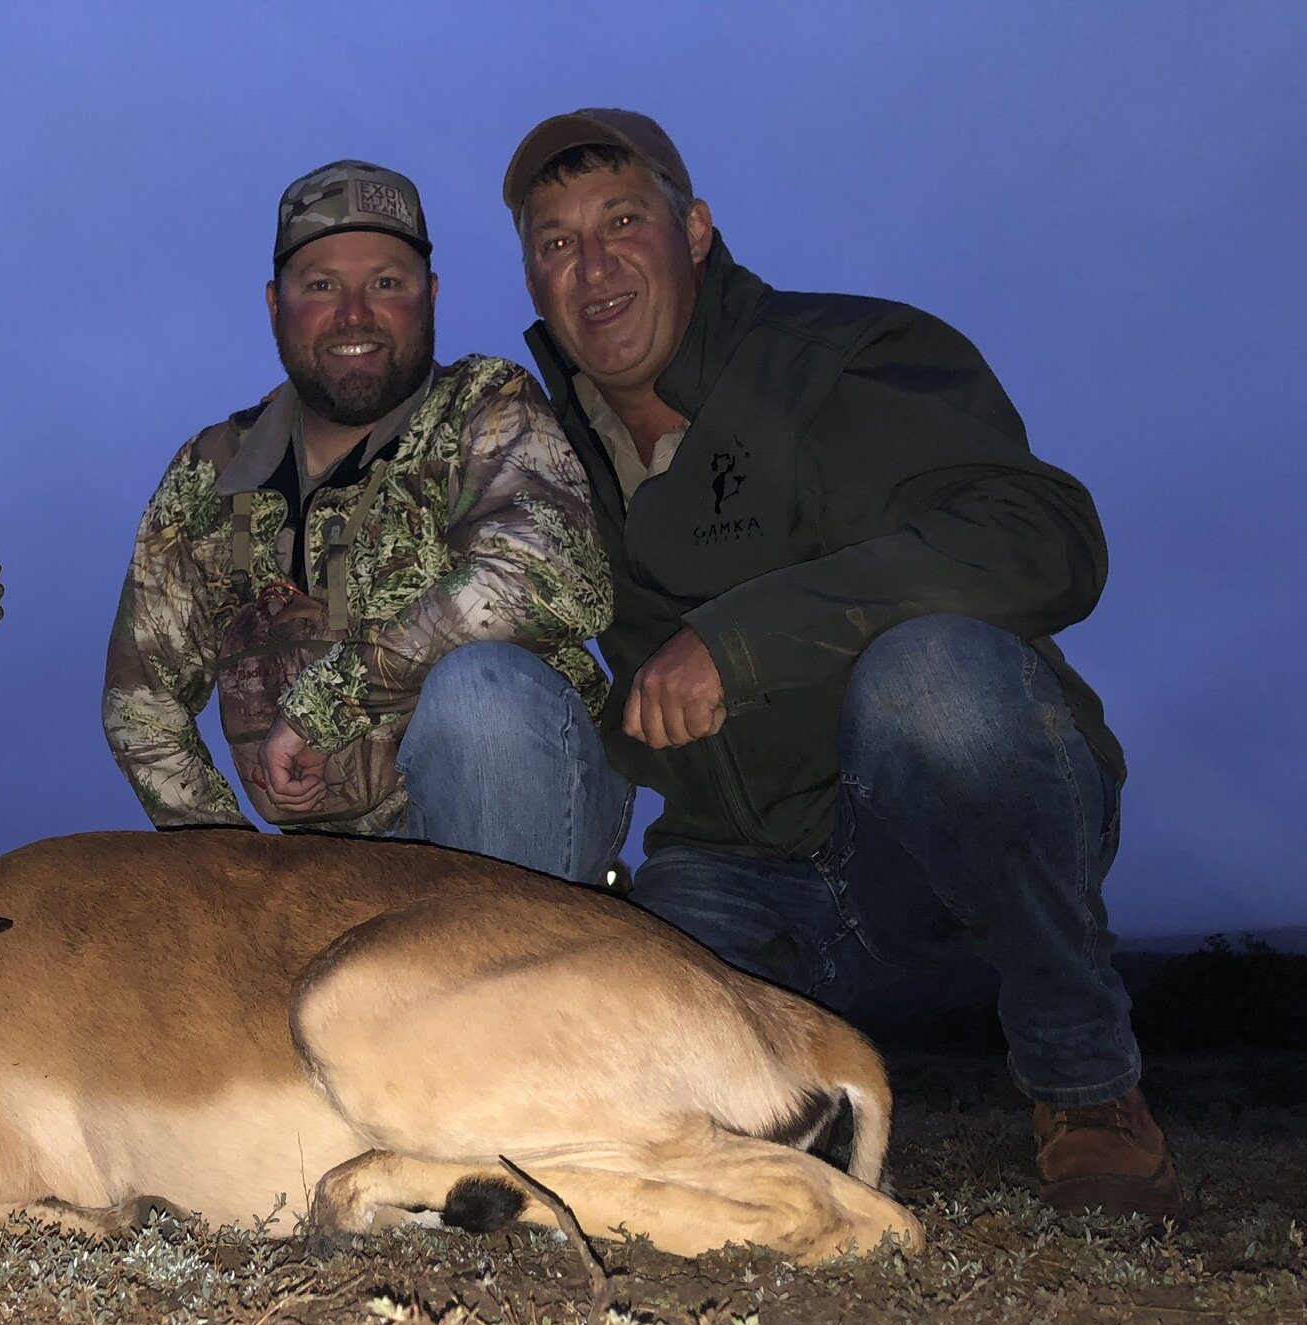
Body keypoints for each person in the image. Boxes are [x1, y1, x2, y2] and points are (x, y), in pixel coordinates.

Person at [501, 109, 1179, 1217]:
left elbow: (1039, 536)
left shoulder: (846, 357)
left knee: (933, 681)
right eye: (555, 241)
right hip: (729, 871)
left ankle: (1083, 1084)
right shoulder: (530, 449)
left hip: (920, 858)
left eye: (623, 221)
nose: (594, 264)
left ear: (697, 231)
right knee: (619, 1088)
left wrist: (740, 641)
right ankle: (783, 1118)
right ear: (533, 278)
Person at [103, 159, 625, 882]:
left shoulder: (487, 403)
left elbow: (551, 577)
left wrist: (321, 709)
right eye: (321, 286)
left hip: (515, 818)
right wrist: (235, 868)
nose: (354, 315)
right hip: (333, 871)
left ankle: (509, 962)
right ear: (274, 304)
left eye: (386, 282)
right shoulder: (208, 473)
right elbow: (141, 706)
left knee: (481, 692)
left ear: (430, 297)